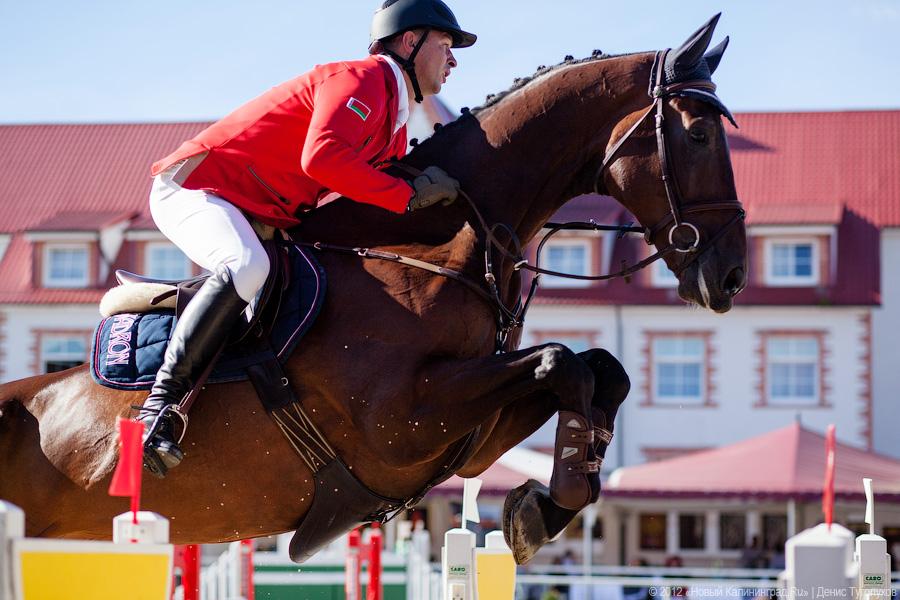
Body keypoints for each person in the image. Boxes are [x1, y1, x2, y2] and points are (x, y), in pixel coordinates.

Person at [137, 0, 477, 477]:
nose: (454, 60)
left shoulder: (394, 126)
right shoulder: (360, 79)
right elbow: (322, 159)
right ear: (409, 41)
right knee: (246, 267)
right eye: (446, 46)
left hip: (261, 214)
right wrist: (406, 196)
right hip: (196, 187)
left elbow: (369, 192)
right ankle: (159, 407)